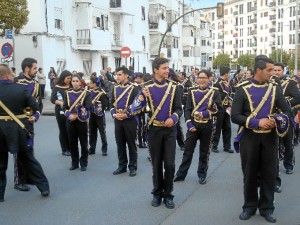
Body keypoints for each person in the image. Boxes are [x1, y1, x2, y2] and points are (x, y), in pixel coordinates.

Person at [231, 55, 291, 223]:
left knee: (269, 174)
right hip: (249, 138)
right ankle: (249, 206)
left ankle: (267, 208)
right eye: (269, 70)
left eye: (274, 70)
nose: (273, 73)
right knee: (249, 173)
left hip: (270, 138)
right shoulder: (242, 88)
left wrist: (277, 119)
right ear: (259, 70)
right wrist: (257, 122)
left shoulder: (275, 88)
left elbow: (287, 111)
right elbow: (235, 116)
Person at [0, 64, 50, 202]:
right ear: (8, 75)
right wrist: (34, 117)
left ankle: (0, 194)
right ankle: (44, 187)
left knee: (0, 164)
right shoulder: (21, 89)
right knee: (27, 159)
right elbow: (35, 108)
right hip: (17, 128)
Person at [138, 58, 183, 209]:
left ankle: (168, 194)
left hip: (170, 130)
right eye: (164, 68)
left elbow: (179, 109)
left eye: (167, 68)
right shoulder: (145, 87)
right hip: (154, 130)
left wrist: (173, 118)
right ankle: (157, 193)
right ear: (155, 70)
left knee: (169, 165)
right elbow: (135, 109)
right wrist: (141, 97)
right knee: (156, 164)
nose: (167, 70)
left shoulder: (174, 87)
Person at [174, 70, 222, 184]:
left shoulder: (214, 92)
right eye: (199, 77)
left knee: (204, 152)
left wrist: (204, 114)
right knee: (188, 151)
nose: (201, 80)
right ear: (196, 79)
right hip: (193, 125)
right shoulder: (191, 91)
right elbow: (187, 109)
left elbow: (219, 109)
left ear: (209, 78)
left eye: (204, 77)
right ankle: (181, 174)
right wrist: (189, 124)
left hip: (207, 125)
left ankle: (202, 174)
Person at [14, 57, 44, 191]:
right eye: (35, 68)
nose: (36, 71)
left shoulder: (36, 84)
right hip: (18, 121)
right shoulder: (15, 81)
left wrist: (36, 115)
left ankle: (29, 177)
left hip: (30, 121)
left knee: (30, 148)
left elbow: (38, 103)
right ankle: (19, 180)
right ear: (27, 68)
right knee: (20, 150)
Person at [110, 66, 139, 177]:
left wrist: (127, 114)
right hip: (118, 119)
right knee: (120, 143)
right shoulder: (115, 88)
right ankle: (122, 166)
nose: (117, 77)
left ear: (126, 75)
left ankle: (132, 167)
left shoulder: (134, 88)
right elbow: (111, 104)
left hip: (129, 120)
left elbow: (138, 106)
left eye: (120, 74)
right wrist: (114, 114)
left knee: (131, 144)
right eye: (116, 75)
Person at [63, 74, 92, 171]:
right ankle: (74, 162)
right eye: (73, 81)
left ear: (80, 82)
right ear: (71, 82)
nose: (75, 83)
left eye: (77, 81)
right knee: (72, 142)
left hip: (82, 121)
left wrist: (77, 115)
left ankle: (83, 163)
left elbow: (88, 107)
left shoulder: (86, 93)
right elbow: (64, 107)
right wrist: (69, 115)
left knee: (83, 143)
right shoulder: (66, 93)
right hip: (70, 120)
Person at [211, 66, 233, 153]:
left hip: (227, 107)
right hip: (219, 108)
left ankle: (227, 146)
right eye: (229, 73)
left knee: (227, 127)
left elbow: (229, 95)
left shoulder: (226, 82)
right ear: (226, 73)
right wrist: (227, 90)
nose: (229, 75)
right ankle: (214, 145)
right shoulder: (217, 84)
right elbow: (218, 97)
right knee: (217, 127)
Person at [50, 70, 72, 156]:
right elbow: (52, 99)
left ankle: (70, 147)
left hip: (70, 110)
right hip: (60, 111)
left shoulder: (71, 86)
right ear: (63, 78)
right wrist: (61, 103)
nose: (69, 80)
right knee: (63, 130)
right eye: (68, 78)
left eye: (70, 78)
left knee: (70, 130)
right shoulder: (57, 87)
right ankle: (64, 149)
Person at [88, 76, 109, 156]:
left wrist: (97, 108)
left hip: (99, 115)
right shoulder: (89, 92)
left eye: (90, 82)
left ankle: (104, 149)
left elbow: (104, 105)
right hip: (91, 115)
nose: (89, 84)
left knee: (102, 132)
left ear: (94, 83)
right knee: (92, 132)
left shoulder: (102, 93)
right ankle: (92, 148)